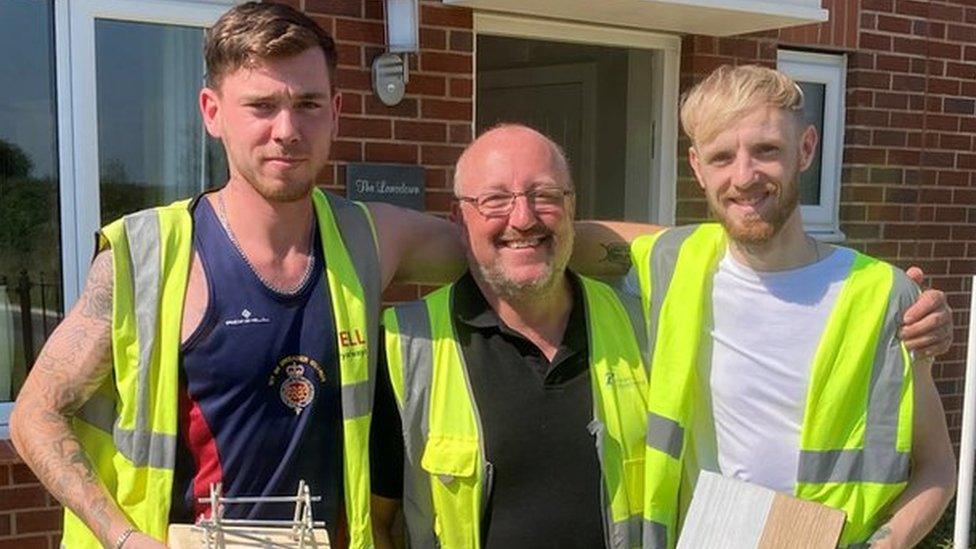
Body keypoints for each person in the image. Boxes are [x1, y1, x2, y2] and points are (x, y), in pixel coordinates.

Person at [9, 3, 463, 548]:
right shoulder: (146, 255)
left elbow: (506, 248)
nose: (287, 130)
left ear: (337, 111)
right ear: (212, 111)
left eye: (308, 104)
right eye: (262, 105)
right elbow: (35, 415)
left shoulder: (371, 239)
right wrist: (123, 538)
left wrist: (555, 210)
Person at [637, 65, 956, 548]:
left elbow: (936, 466)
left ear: (806, 149)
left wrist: (887, 543)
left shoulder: (885, 297)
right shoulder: (672, 262)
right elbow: (564, 241)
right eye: (722, 157)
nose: (743, 176)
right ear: (697, 168)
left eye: (766, 150)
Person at [370, 124, 650, 549]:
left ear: (572, 208)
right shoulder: (403, 348)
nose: (524, 218)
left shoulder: (642, 329)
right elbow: (375, 525)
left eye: (544, 195)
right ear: (458, 220)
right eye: (494, 200)